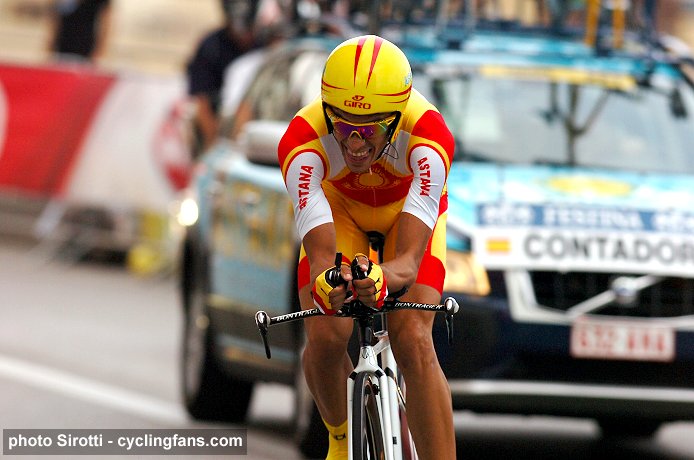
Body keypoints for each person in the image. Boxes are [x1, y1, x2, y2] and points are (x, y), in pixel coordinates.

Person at [278, 35, 456, 460]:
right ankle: (340, 438)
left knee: (412, 336)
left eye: (369, 129)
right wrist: (328, 284)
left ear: (396, 118)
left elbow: (408, 264)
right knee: (325, 334)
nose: (355, 142)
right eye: (342, 125)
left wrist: (382, 277)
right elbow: (321, 258)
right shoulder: (301, 143)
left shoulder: (429, 137)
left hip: (405, 215)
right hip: (341, 211)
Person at [186, 0, 260, 156]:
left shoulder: (263, 46)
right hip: (214, 119)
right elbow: (201, 102)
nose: (244, 35)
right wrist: (213, 149)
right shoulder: (211, 46)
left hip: (250, 126)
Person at [46, 0, 112, 62]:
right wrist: (51, 42)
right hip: (62, 41)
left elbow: (105, 21)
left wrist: (100, 47)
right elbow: (56, 16)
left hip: (85, 44)